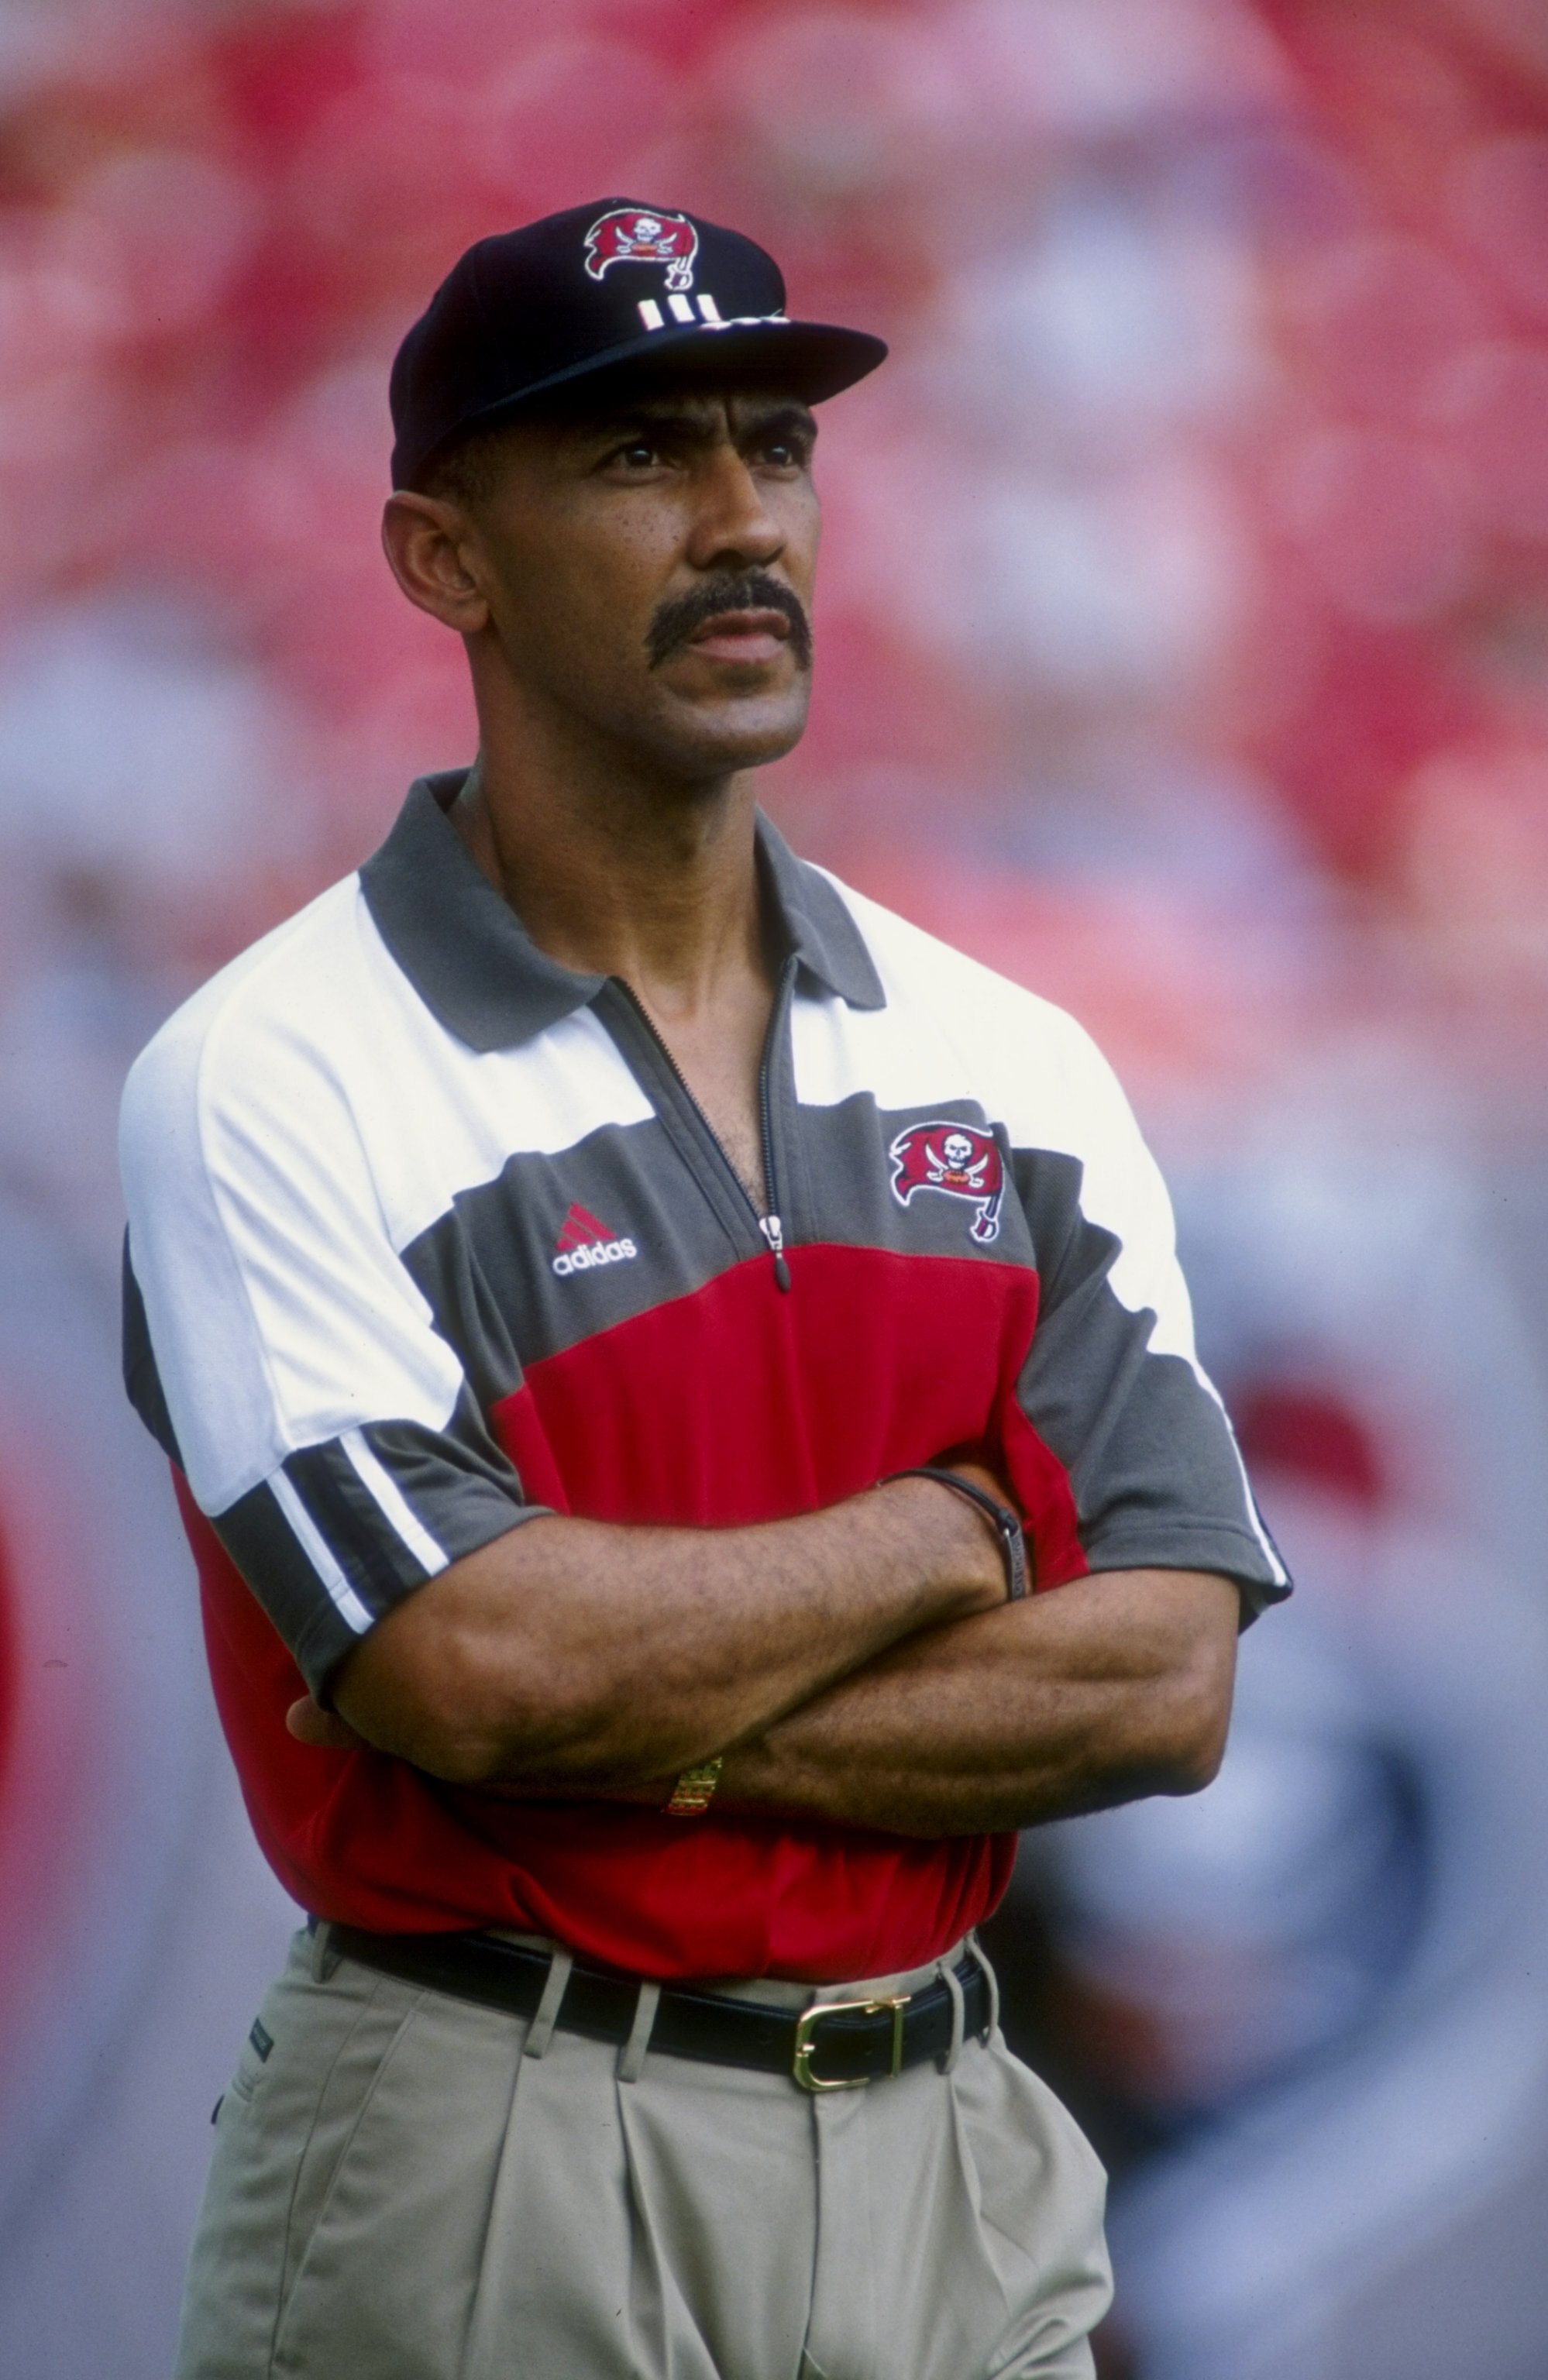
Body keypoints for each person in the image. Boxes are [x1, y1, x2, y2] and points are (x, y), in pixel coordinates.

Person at [119, 200, 1290, 2380]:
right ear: (440, 559)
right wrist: (950, 1536)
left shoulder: (1009, 1059)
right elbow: (465, 1676)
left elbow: (1160, 1688)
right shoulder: (259, 1074)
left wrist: (622, 1715)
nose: (746, 520)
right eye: (642, 457)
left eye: (780, 444)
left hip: (961, 2143)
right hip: (497, 2135)